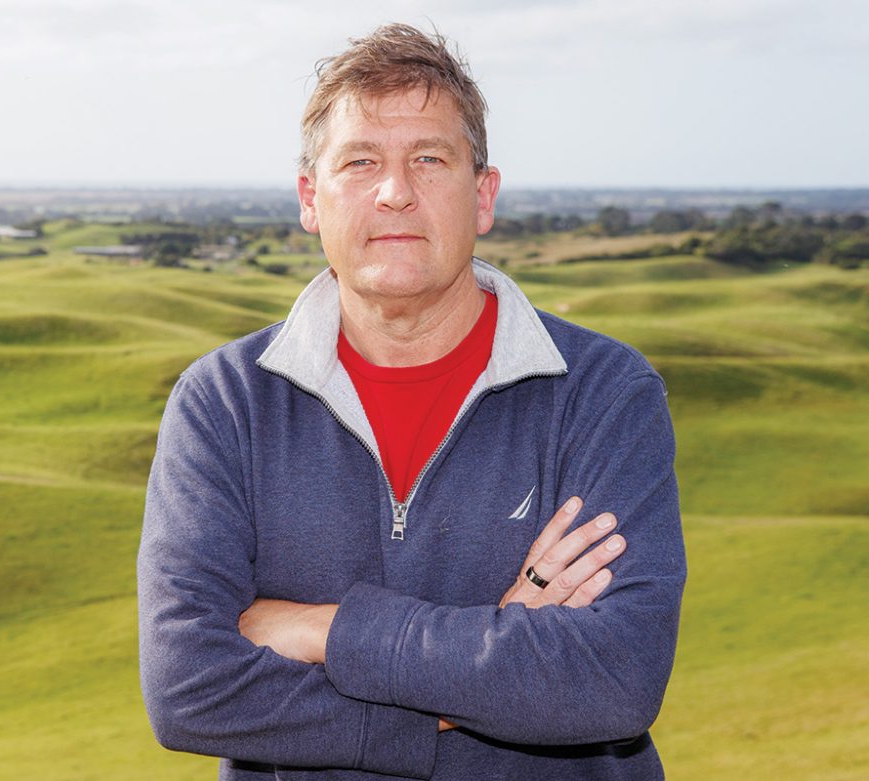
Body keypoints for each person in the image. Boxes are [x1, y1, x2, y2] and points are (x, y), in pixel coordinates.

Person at [137, 22, 685, 781]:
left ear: (483, 195)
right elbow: (188, 689)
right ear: (309, 200)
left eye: (430, 159)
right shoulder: (226, 404)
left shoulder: (602, 393)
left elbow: (615, 679)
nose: (395, 191)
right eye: (360, 161)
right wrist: (494, 656)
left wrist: (326, 631)